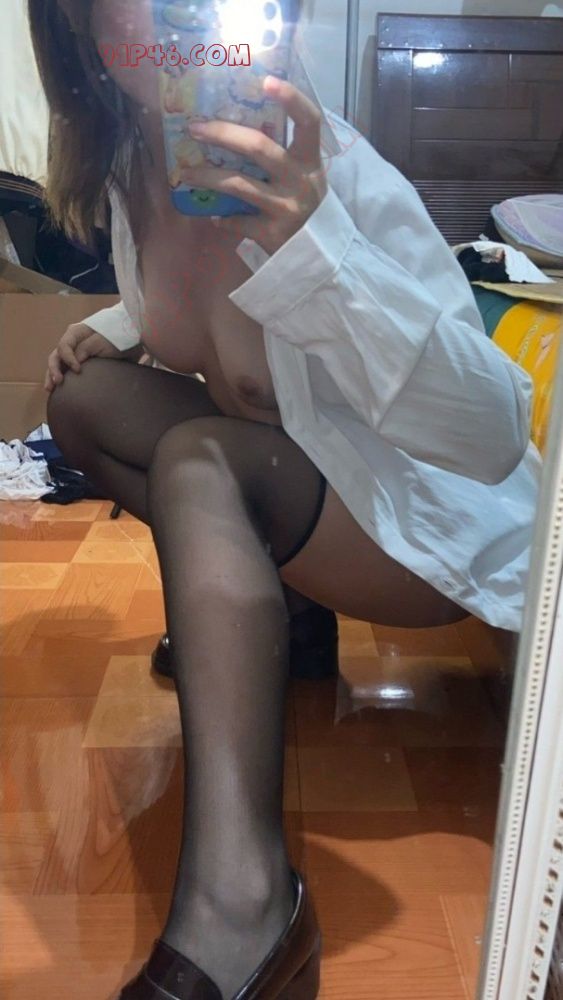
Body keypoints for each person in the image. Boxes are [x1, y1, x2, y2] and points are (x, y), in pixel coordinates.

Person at [29, 1, 540, 997]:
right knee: (82, 400)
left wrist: (319, 250)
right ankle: (289, 624)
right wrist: (123, 322)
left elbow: (490, 432)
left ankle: (246, 909)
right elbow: (206, 321)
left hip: (419, 529)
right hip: (309, 492)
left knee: (201, 460)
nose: (181, 12)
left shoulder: (328, 171)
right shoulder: (137, 161)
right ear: (86, 27)